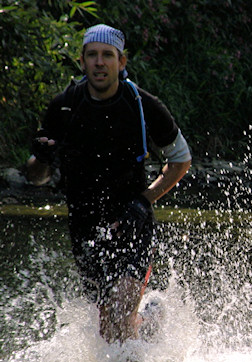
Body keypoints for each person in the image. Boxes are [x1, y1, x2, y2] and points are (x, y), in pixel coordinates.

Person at [26, 24, 192, 343]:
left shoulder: (145, 106)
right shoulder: (62, 108)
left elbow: (181, 160)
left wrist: (145, 201)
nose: (99, 62)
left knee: (118, 311)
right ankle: (150, 319)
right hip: (85, 226)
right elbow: (37, 177)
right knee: (110, 329)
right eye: (92, 56)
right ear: (82, 61)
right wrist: (40, 160)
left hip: (133, 223)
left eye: (107, 55)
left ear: (122, 62)